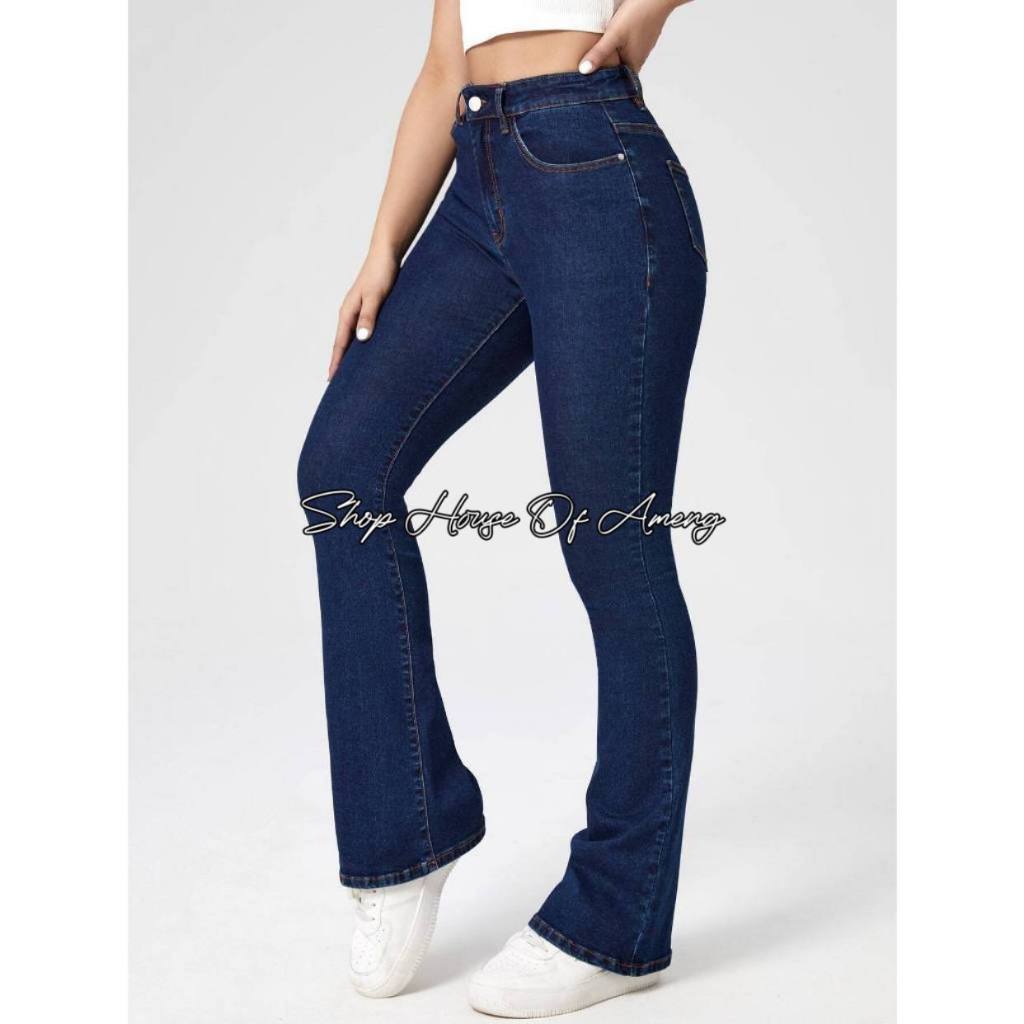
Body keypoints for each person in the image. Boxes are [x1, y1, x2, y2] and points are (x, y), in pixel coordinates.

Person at [297, 0, 706, 1015]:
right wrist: (383, 245)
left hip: (595, 164)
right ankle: (407, 834)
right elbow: (446, 63)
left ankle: (618, 921)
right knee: (344, 467)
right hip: (476, 179)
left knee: (612, 546)